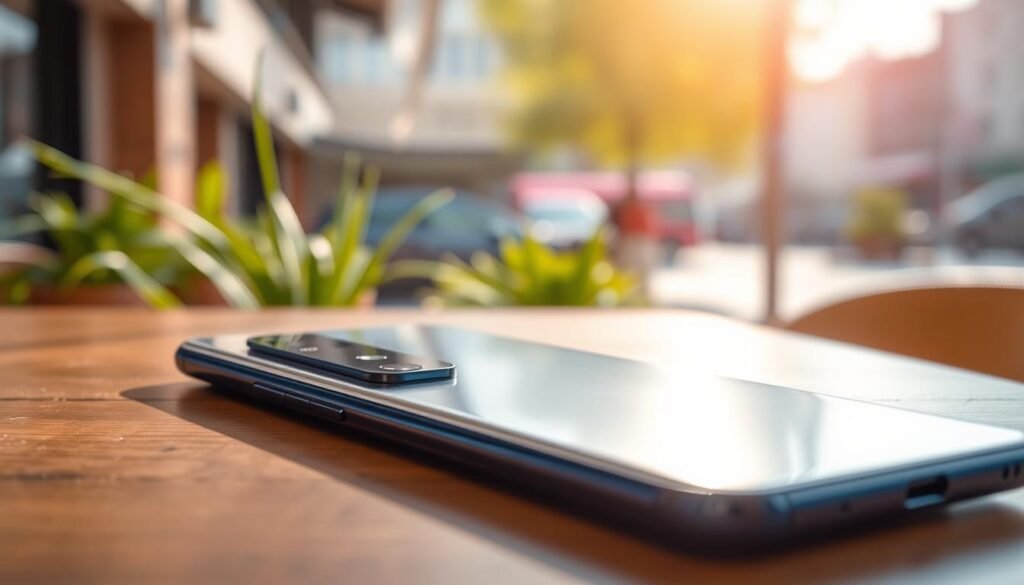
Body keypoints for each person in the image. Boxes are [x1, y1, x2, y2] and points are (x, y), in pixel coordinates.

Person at [613, 195, 660, 298]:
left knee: (641, 273)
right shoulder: (625, 209)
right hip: (630, 242)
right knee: (629, 273)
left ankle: (641, 295)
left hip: (639, 242)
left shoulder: (641, 208)